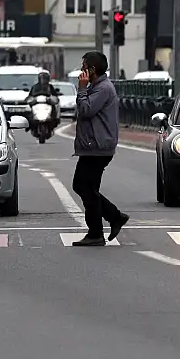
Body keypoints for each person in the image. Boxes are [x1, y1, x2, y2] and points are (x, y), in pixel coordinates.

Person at [71, 51, 128, 247]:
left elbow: (86, 110)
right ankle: (114, 217)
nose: (81, 70)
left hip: (97, 147)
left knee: (85, 187)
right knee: (84, 186)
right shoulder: (98, 86)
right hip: (93, 146)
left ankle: (97, 231)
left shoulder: (102, 88)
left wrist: (81, 89)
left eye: (84, 66)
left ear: (92, 70)